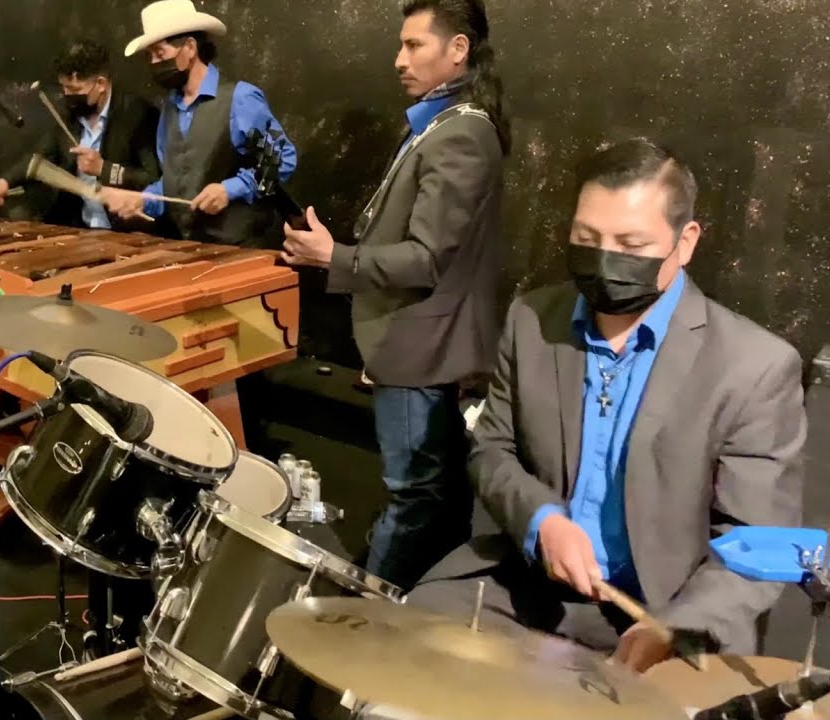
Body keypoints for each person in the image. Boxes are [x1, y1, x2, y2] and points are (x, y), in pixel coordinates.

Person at [407, 139, 806, 673]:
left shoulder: (755, 368)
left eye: (631, 243)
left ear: (685, 243)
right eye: (586, 238)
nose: (604, 258)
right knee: (407, 656)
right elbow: (491, 448)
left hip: (665, 610)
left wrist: (677, 627)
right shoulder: (532, 320)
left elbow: (755, 544)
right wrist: (541, 520)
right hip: (530, 585)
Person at [281, 0, 510, 590]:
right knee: (436, 493)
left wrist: (335, 258)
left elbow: (428, 258)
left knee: (412, 496)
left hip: (419, 348)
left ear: (457, 49)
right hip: (416, 343)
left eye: (414, 46)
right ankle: (431, 608)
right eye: (401, 45)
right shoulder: (441, 123)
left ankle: (363, 618)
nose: (398, 60)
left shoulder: (460, 133)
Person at [103, 0, 298, 248]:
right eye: (149, 56)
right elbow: (176, 180)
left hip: (243, 248)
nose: (153, 63)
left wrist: (230, 189)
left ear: (190, 48)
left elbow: (281, 160)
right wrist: (142, 199)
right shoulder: (169, 108)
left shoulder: (241, 99)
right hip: (193, 247)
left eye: (159, 53)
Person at [0, 40, 161, 230]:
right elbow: (39, 158)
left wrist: (104, 169)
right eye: (64, 88)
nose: (68, 96)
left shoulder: (137, 115)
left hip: (126, 232)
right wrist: (4, 181)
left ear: (101, 84)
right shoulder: (68, 115)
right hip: (79, 229)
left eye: (75, 90)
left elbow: (152, 180)